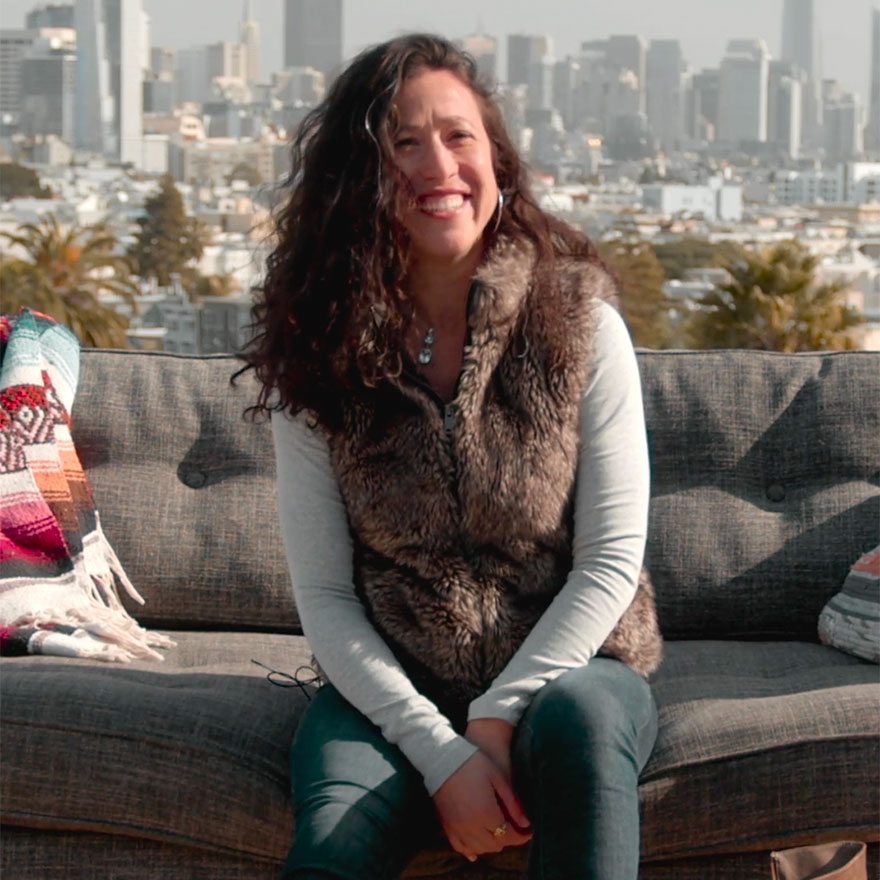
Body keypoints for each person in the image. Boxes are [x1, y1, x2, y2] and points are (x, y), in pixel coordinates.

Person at [244, 33, 663, 880]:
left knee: (582, 727)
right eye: (402, 141)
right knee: (334, 837)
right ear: (357, 180)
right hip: (395, 686)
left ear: (497, 160)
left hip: (572, 670)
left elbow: (612, 560)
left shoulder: (578, 323)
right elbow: (325, 599)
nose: (437, 163)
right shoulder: (318, 356)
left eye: (458, 135)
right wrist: (442, 754)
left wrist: (498, 720)